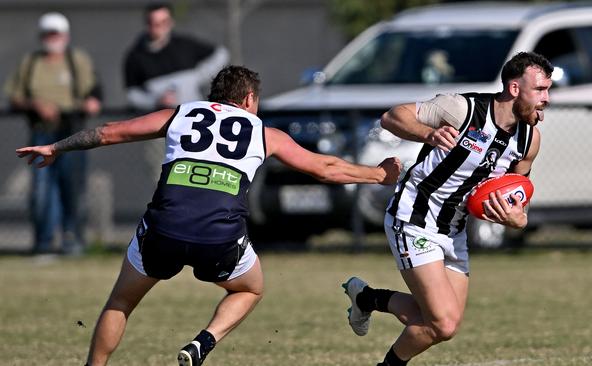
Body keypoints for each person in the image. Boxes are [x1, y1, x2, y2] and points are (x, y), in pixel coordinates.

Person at [16, 65, 402, 366]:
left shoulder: (180, 114)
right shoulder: (264, 132)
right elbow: (325, 169)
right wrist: (377, 174)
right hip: (219, 238)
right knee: (251, 288)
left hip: (163, 229)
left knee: (120, 303)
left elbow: (108, 132)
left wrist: (55, 147)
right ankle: (204, 341)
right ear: (249, 99)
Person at [342, 51, 553, 365]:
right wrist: (428, 132)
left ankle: (367, 298)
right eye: (539, 90)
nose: (546, 98)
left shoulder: (528, 141)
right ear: (513, 89)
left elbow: (518, 197)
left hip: (454, 231)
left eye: (548, 90)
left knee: (442, 324)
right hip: (414, 217)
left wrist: (517, 220)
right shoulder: (462, 109)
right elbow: (392, 117)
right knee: (443, 322)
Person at [4, 11, 102, 255]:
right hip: (42, 133)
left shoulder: (76, 59)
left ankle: (73, 241)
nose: (52, 37)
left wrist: (91, 102)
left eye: (56, 33)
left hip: (71, 133)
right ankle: (44, 243)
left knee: (73, 187)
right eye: (48, 33)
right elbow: (14, 97)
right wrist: (36, 105)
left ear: (65, 35)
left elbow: (94, 90)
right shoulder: (31, 62)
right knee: (42, 190)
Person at [123, 2, 230, 111]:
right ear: (148, 25)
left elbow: (221, 53)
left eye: (164, 22)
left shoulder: (185, 44)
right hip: (159, 120)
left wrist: (198, 77)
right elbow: (132, 94)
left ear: (171, 22)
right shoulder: (135, 56)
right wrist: (155, 101)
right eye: (155, 23)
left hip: (193, 115)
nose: (160, 27)